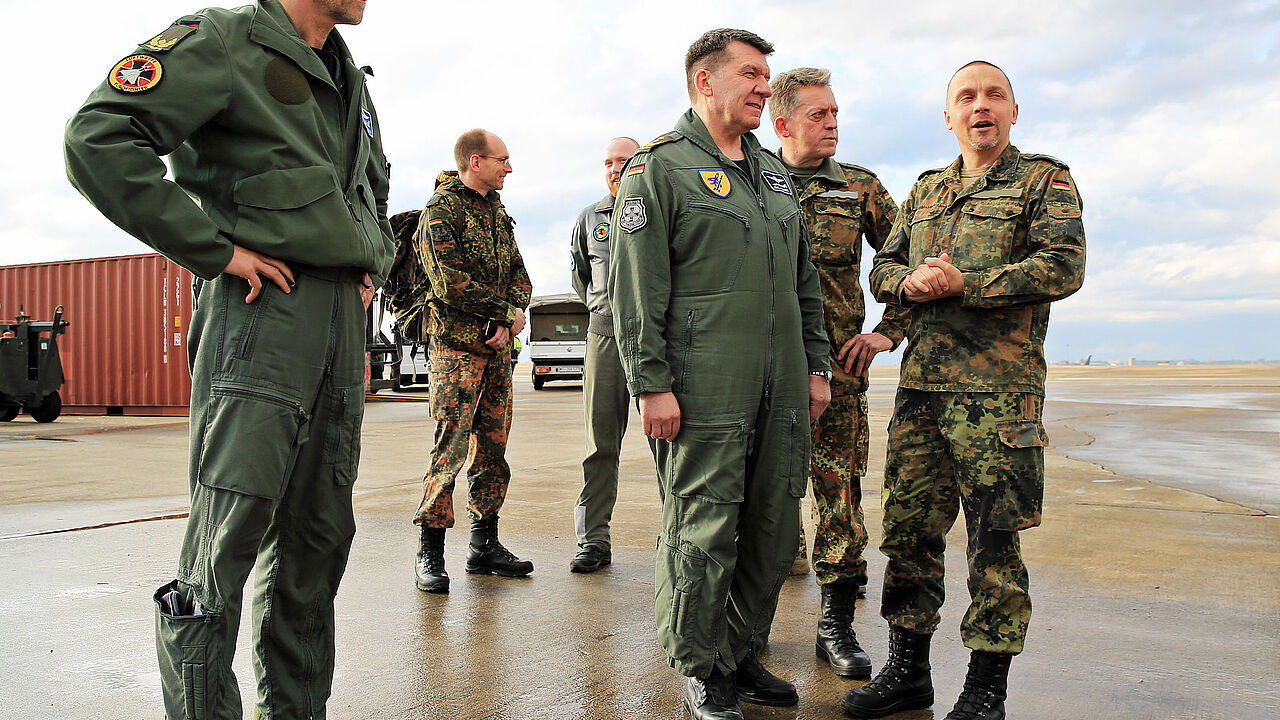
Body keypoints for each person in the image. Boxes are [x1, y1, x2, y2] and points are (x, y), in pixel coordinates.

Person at [63, 0, 393, 717]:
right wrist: (214, 249)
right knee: (223, 547)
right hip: (261, 318)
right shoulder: (223, 39)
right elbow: (99, 137)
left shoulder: (348, 77)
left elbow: (375, 185)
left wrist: (373, 255)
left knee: (316, 543)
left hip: (339, 323)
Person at [841, 61, 1086, 720]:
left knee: (994, 543)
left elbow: (1063, 266)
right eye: (966, 97)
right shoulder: (925, 193)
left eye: (993, 95)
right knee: (908, 534)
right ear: (948, 116)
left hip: (1000, 398)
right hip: (923, 394)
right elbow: (884, 266)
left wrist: (964, 284)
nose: (981, 106)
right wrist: (908, 284)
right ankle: (907, 671)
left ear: (1013, 110)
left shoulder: (1043, 180)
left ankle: (985, 691)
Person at [609, 28, 831, 720]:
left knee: (770, 524)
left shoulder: (770, 172)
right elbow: (636, 290)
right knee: (704, 530)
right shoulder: (659, 170)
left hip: (783, 386)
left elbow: (804, 280)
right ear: (705, 82)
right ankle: (701, 667)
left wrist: (816, 365)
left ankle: (738, 652)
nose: (766, 86)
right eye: (751, 74)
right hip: (703, 387)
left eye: (767, 75)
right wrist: (650, 383)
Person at [768, 67, 906, 680]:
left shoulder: (859, 187)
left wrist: (886, 331)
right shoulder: (747, 179)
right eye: (819, 115)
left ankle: (836, 624)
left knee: (840, 496)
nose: (833, 125)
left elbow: (908, 257)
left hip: (840, 371)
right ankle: (750, 624)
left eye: (835, 113)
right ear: (784, 122)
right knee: (761, 496)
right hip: (761, 368)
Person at [413, 129, 533, 594]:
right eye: (502, 160)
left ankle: (484, 546)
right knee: (450, 449)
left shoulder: (498, 214)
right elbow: (449, 283)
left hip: (497, 352)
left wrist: (512, 314)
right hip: (457, 352)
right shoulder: (440, 212)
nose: (509, 167)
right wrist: (503, 313)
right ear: (476, 161)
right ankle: (431, 551)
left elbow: (520, 275)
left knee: (493, 447)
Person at [568, 135, 641, 573]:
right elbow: (582, 277)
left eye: (625, 160)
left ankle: (679, 538)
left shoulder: (663, 210)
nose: (615, 168)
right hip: (605, 337)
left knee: (669, 443)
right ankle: (593, 540)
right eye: (609, 162)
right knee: (600, 446)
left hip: (655, 340)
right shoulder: (589, 218)